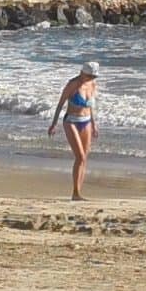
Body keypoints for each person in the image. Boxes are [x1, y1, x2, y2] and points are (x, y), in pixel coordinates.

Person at [47, 60, 99, 201]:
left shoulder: (92, 84)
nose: (91, 79)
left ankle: (78, 192)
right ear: (82, 73)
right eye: (89, 76)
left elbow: (91, 107)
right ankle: (75, 193)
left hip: (86, 121)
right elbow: (60, 104)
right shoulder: (73, 84)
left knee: (84, 158)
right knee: (80, 156)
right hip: (71, 121)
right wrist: (54, 124)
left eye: (93, 77)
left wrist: (94, 124)